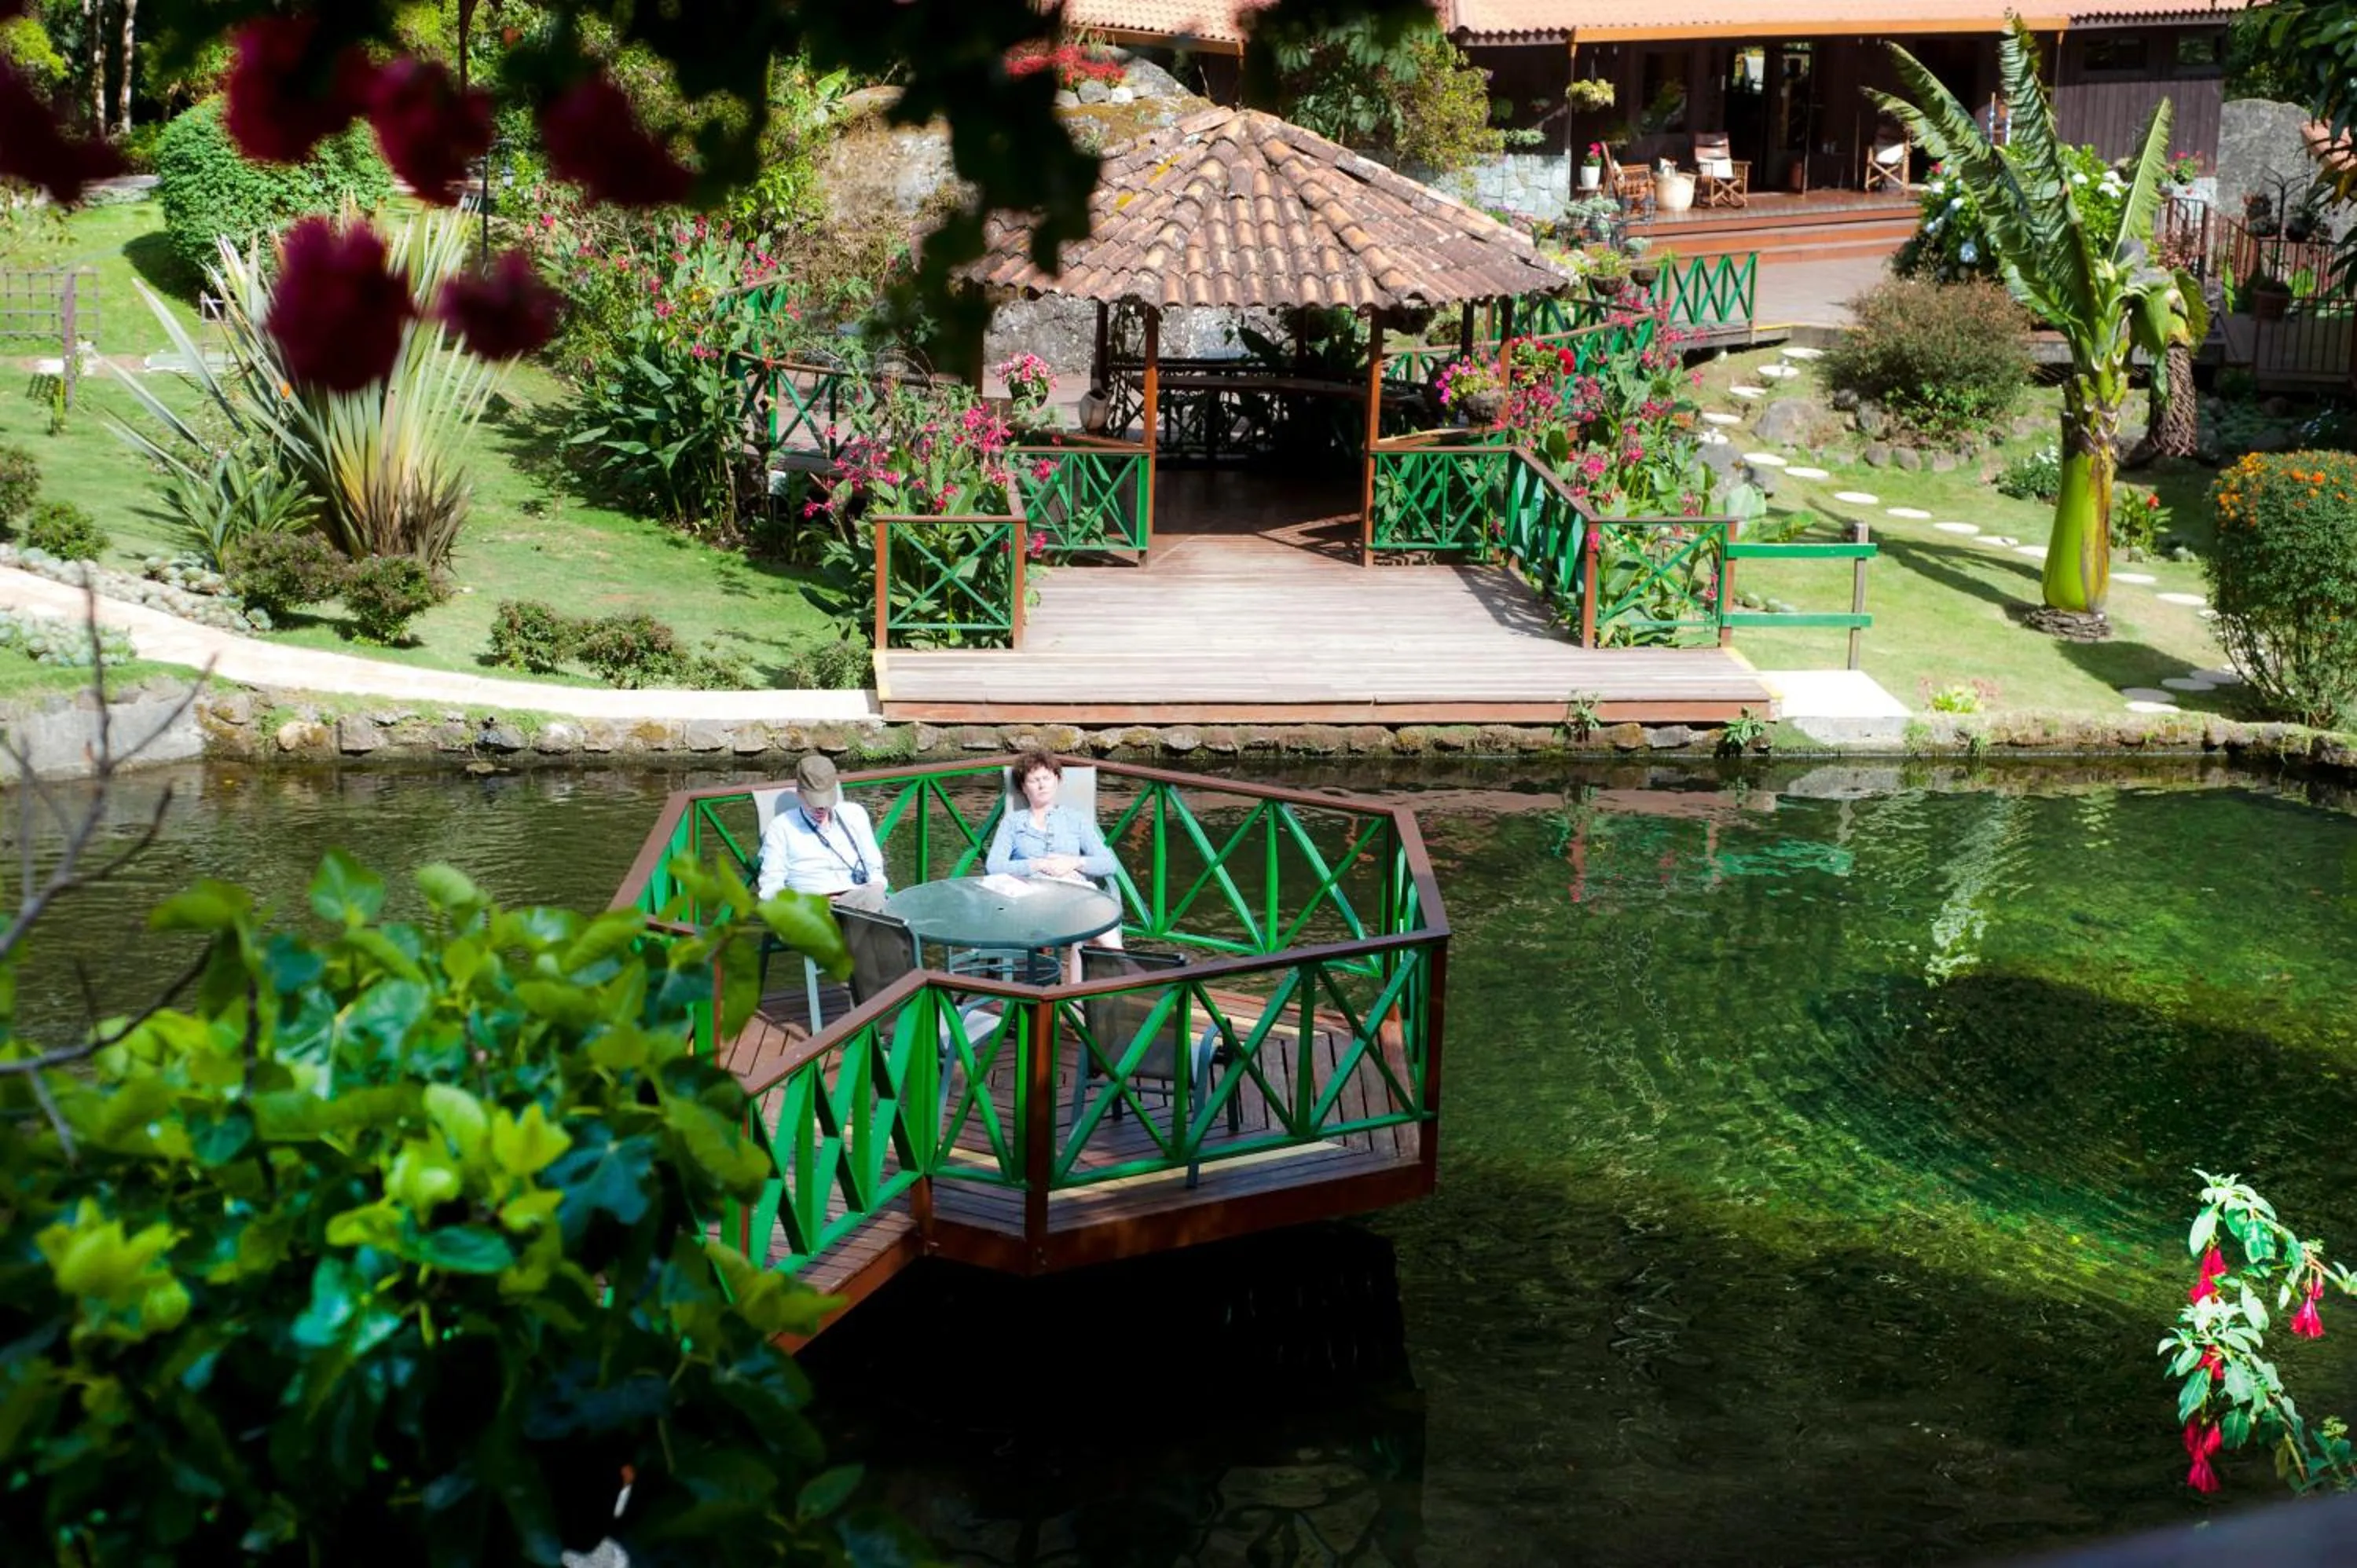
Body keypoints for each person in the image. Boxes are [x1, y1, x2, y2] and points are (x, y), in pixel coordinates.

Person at [986, 747, 1123, 976]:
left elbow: (1108, 864)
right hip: (1032, 899)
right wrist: (1036, 865)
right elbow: (994, 866)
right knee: (1091, 914)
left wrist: (1074, 862)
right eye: (1034, 780)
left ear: (1057, 781)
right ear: (1023, 787)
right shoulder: (1013, 823)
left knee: (1087, 912)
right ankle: (1124, 966)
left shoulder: (1075, 820)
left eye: (1047, 778)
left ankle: (1089, 988)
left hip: (1074, 895)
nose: (1042, 785)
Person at [756, 754, 888, 912]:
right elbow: (770, 886)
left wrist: (876, 886)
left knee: (881, 903)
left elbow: (875, 868)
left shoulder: (854, 814)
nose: (821, 808)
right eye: (814, 802)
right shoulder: (781, 827)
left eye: (826, 801)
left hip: (858, 899)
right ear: (799, 793)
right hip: (811, 906)